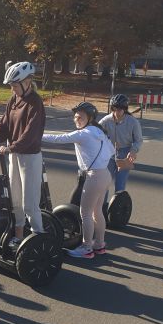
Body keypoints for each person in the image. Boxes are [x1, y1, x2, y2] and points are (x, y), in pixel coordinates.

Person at [0, 61, 46, 248]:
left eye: (15, 85)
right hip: (14, 154)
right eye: (11, 86)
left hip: (29, 157)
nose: (13, 89)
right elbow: (4, 125)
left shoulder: (35, 102)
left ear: (27, 82)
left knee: (29, 203)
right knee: (15, 200)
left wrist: (12, 147)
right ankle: (18, 236)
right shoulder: (13, 100)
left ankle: (38, 239)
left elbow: (31, 133)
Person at [42, 102, 114, 258]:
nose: (77, 119)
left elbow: (58, 138)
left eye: (80, 117)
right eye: (75, 116)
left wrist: (36, 135)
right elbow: (112, 151)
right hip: (105, 174)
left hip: (94, 176)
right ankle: (99, 245)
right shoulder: (99, 132)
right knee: (97, 212)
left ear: (89, 118)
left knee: (86, 213)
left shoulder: (83, 133)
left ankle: (87, 248)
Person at [99, 94, 143, 196]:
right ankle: (101, 207)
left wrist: (133, 151)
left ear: (125, 109)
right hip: (109, 153)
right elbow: (96, 131)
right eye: (114, 108)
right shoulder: (106, 120)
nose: (117, 111)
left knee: (120, 185)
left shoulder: (133, 122)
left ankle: (116, 208)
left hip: (125, 154)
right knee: (104, 182)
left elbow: (138, 140)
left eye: (120, 109)